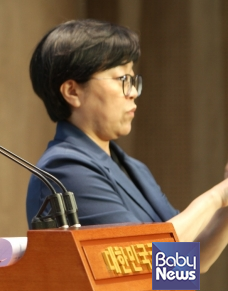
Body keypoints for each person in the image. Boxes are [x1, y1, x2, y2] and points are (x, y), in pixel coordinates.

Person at [26, 19, 228, 272]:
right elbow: (146, 260)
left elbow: (185, 264)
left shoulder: (132, 167)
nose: (132, 92)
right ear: (73, 92)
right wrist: (216, 197)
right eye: (122, 79)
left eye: (133, 80)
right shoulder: (64, 169)